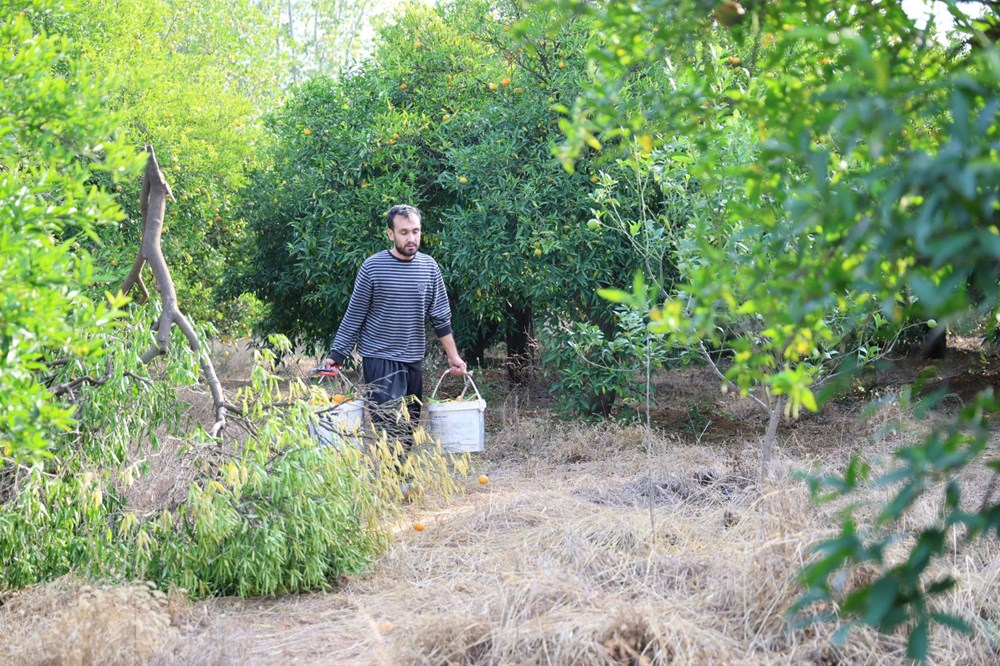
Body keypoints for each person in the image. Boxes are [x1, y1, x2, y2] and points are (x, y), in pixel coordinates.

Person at [323, 204, 467, 454]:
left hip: (413, 359)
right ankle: (398, 482)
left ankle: (397, 480)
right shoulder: (373, 268)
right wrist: (337, 355)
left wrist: (453, 357)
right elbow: (354, 315)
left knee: (410, 425)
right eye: (404, 232)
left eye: (416, 231)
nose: (411, 238)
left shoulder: (429, 267)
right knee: (390, 424)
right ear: (390, 234)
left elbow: (440, 318)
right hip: (380, 358)